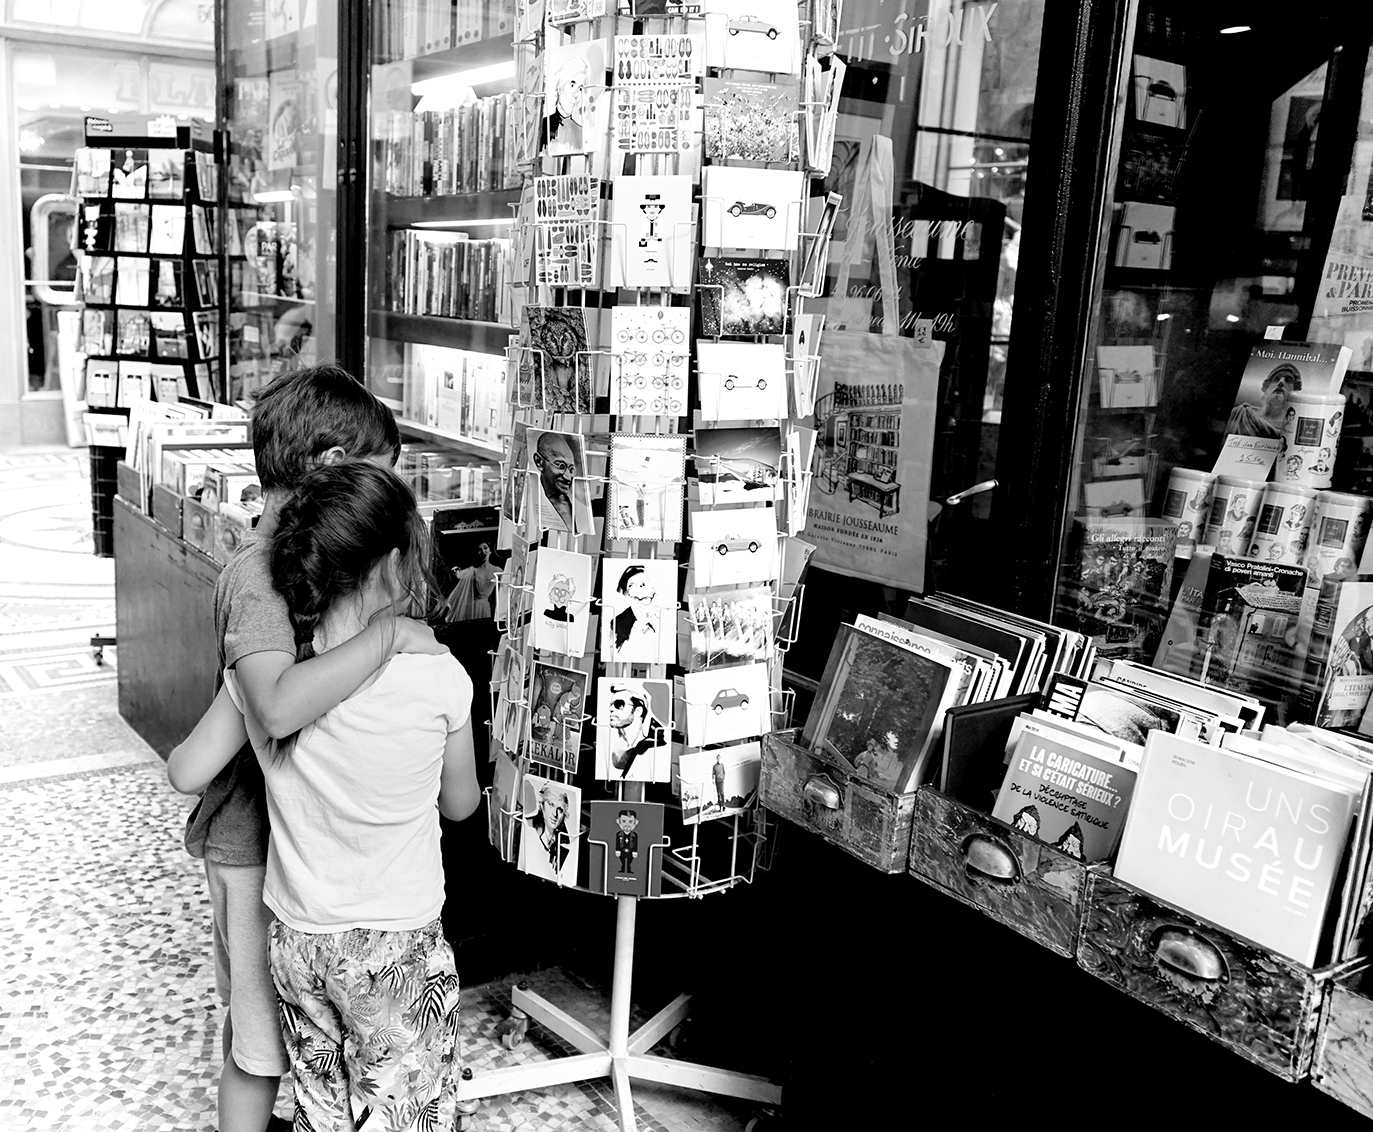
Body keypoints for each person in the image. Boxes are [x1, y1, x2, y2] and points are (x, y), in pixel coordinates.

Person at [172, 365, 447, 1132]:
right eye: (379, 479)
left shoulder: (297, 565)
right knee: (258, 1049)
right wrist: (389, 636)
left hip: (301, 848)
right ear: (330, 471)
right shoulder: (259, 579)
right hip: (257, 845)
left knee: (301, 1043)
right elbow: (279, 704)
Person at [1227, 362, 1302, 439]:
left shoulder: (1295, 428)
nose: (1281, 382)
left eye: (1288, 380)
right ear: (1266, 388)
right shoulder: (1242, 414)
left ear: (1295, 391)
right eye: (1276, 379)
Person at [605, 682, 664, 779]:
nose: (610, 709)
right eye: (611, 705)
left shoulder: (654, 749)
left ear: (638, 711)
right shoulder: (619, 747)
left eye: (619, 704)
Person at [532, 431, 579, 533]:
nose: (568, 478)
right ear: (539, 462)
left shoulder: (579, 508)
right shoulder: (530, 501)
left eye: (571, 469)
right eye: (561, 466)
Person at [611, 564, 661, 657]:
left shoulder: (663, 617)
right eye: (631, 586)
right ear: (627, 594)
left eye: (643, 584)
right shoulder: (617, 623)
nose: (638, 589)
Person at [529, 782, 573, 880]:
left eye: (560, 810)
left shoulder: (565, 845)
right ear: (541, 805)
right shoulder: (529, 830)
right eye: (551, 804)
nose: (555, 814)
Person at [616, 810, 640, 877]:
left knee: (630, 860)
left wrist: (635, 851)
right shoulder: (619, 834)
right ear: (619, 821)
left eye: (630, 822)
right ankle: (623, 869)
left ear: (635, 822)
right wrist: (617, 850)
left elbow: (636, 843)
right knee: (622, 859)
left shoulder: (634, 835)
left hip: (631, 850)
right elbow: (617, 842)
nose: (627, 825)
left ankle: (628, 869)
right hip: (621, 849)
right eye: (623, 821)